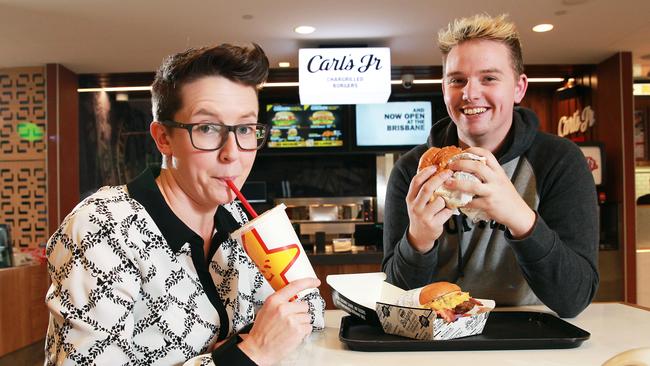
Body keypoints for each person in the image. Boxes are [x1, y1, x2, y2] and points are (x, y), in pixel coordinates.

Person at [45, 43, 325, 365]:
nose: (232, 153)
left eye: (246, 129)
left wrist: (242, 344)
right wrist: (250, 351)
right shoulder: (104, 227)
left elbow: (309, 307)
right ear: (163, 138)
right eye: (207, 128)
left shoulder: (235, 218)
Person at [382, 14, 599, 318]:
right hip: (436, 338)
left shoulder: (560, 161)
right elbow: (396, 300)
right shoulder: (412, 169)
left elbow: (574, 298)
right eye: (457, 80)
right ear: (444, 89)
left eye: (489, 78)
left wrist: (521, 219)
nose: (470, 93)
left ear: (519, 88)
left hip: (531, 332)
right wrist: (418, 241)